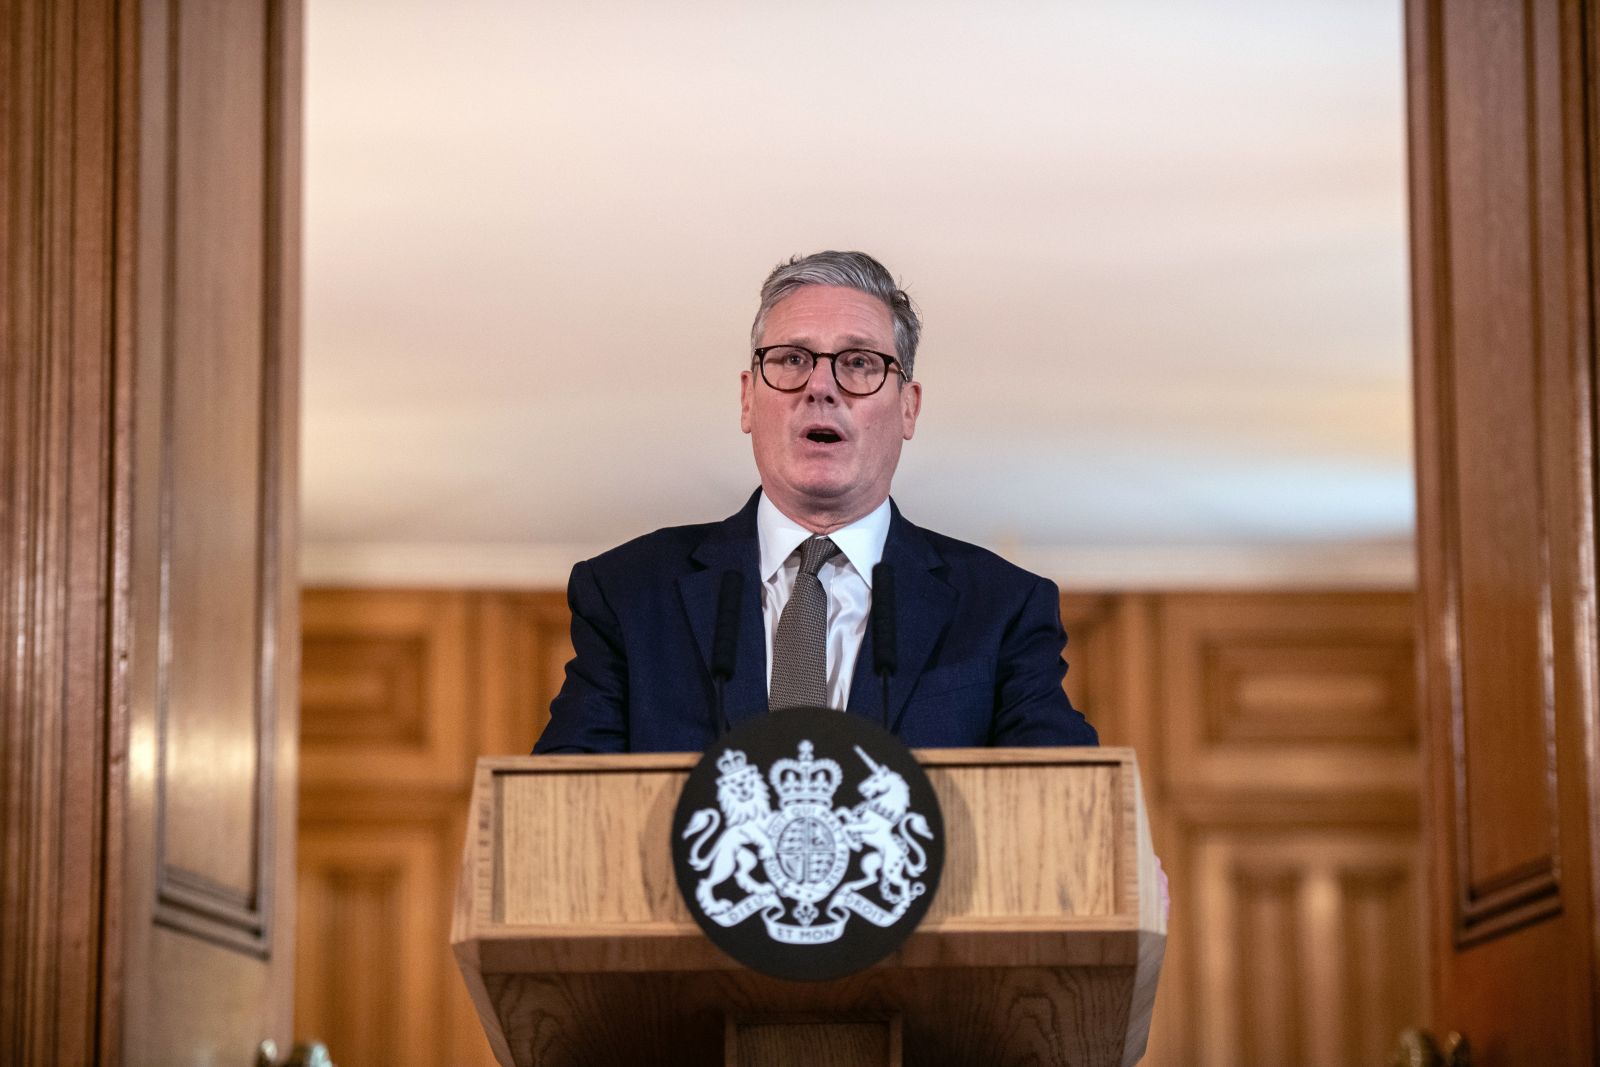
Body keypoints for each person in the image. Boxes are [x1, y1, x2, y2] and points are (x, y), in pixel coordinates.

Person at [534, 251, 1097, 753]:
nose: (821, 387)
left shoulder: (1001, 608)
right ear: (748, 399)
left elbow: (1072, 801)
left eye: (858, 363)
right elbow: (556, 815)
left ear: (908, 409)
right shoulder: (630, 593)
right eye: (792, 360)